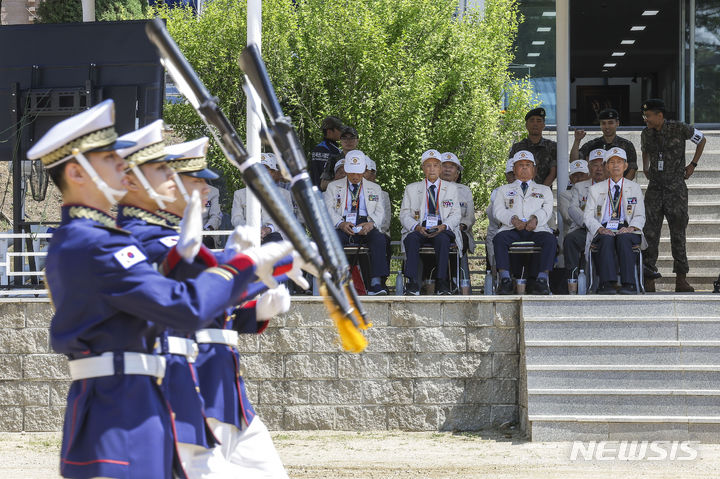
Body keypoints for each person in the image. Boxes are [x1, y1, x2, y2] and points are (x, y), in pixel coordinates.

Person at [28, 100, 291, 479]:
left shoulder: (98, 239)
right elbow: (181, 307)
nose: (122, 165)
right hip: (116, 415)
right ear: (76, 171)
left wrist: (235, 278)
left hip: (143, 405)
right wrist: (244, 265)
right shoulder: (94, 243)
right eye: (109, 159)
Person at [164, 138, 292, 478]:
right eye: (197, 181)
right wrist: (241, 267)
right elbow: (192, 296)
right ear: (169, 184)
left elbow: (220, 313)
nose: (207, 189)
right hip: (194, 388)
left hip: (230, 395)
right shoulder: (159, 239)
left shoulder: (193, 244)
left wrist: (256, 310)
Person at [641, 98, 706, 292]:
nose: (646, 119)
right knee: (650, 234)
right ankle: (649, 279)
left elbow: (702, 139)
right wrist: (645, 168)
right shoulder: (646, 133)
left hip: (676, 188)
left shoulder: (679, 128)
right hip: (655, 188)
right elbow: (644, 151)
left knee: (678, 234)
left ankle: (681, 279)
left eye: (649, 116)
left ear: (659, 115)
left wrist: (693, 164)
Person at [324, 150, 389, 295]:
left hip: (365, 223)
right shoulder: (333, 187)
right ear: (346, 169)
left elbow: (380, 211)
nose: (355, 176)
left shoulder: (375, 188)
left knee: (379, 239)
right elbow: (328, 210)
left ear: (365, 170)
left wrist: (371, 224)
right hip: (342, 223)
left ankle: (376, 282)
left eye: (359, 173)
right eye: (352, 172)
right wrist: (340, 223)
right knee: (333, 240)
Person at [492, 150, 556, 295]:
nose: (524, 168)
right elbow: (498, 211)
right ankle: (505, 279)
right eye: (520, 165)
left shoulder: (544, 190)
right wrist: (513, 219)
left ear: (534, 169)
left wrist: (535, 219)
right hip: (512, 229)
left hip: (536, 229)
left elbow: (547, 209)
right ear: (514, 169)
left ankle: (542, 279)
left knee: (550, 240)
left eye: (528, 165)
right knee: (499, 239)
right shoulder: (503, 190)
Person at [399, 149, 462, 295]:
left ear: (440, 168)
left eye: (435, 165)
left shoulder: (451, 188)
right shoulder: (412, 189)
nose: (432, 169)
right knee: (411, 239)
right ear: (423, 169)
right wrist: (416, 227)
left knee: (442, 240)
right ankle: (412, 282)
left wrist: (443, 226)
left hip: (442, 227)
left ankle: (442, 282)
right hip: (421, 227)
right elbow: (404, 215)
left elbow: (456, 214)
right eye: (428, 165)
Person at [584, 147, 646, 294]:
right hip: (603, 226)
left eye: (619, 162)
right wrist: (600, 229)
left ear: (625, 166)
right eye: (612, 162)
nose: (616, 165)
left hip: (627, 227)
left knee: (624, 239)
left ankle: (628, 284)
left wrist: (631, 228)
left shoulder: (634, 187)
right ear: (606, 166)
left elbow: (640, 215)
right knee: (605, 239)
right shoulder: (596, 189)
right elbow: (587, 216)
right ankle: (607, 284)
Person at [231, 153, 294, 243]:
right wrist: (252, 230)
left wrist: (269, 229)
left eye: (265, 169)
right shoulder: (239, 194)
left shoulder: (284, 194)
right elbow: (236, 219)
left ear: (273, 173)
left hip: (277, 240)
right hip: (248, 237)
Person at [564, 149, 607, 276]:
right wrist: (589, 223)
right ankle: (573, 278)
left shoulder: (613, 184)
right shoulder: (580, 186)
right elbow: (572, 208)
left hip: (607, 228)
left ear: (608, 166)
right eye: (594, 165)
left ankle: (610, 280)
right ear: (589, 167)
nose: (598, 169)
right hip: (585, 228)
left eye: (602, 164)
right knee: (570, 239)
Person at [570, 108, 639, 180]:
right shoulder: (593, 145)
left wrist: (620, 186)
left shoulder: (627, 145)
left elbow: (632, 170)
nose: (607, 127)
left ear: (617, 123)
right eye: (603, 123)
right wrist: (577, 140)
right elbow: (574, 161)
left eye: (610, 123)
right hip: (596, 187)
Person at [441, 152, 475, 284]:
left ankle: (456, 280)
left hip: (459, 230)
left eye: (452, 167)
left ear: (457, 173)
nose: (448, 169)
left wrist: (462, 225)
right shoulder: (431, 188)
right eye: (444, 166)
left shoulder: (465, 190)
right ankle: (432, 281)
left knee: (457, 240)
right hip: (436, 230)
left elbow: (470, 216)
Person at [508, 107, 557, 186]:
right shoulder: (517, 147)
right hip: (520, 193)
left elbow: (553, 173)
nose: (535, 124)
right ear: (526, 125)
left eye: (539, 121)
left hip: (544, 194)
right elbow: (510, 172)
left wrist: (540, 192)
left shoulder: (551, 146)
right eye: (531, 120)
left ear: (544, 125)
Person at [485, 158, 515, 273]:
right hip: (498, 232)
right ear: (506, 176)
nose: (514, 177)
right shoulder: (497, 192)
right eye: (511, 174)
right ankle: (496, 275)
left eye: (516, 173)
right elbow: (495, 216)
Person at [310, 116, 344, 188]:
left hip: (314, 192)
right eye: (339, 129)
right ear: (329, 132)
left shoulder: (315, 149)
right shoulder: (335, 151)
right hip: (328, 192)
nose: (342, 132)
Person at [321, 126, 358, 191]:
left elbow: (371, 181)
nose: (348, 141)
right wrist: (339, 181)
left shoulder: (364, 160)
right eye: (344, 138)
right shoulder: (333, 159)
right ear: (340, 140)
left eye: (352, 138)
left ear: (357, 140)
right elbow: (323, 185)